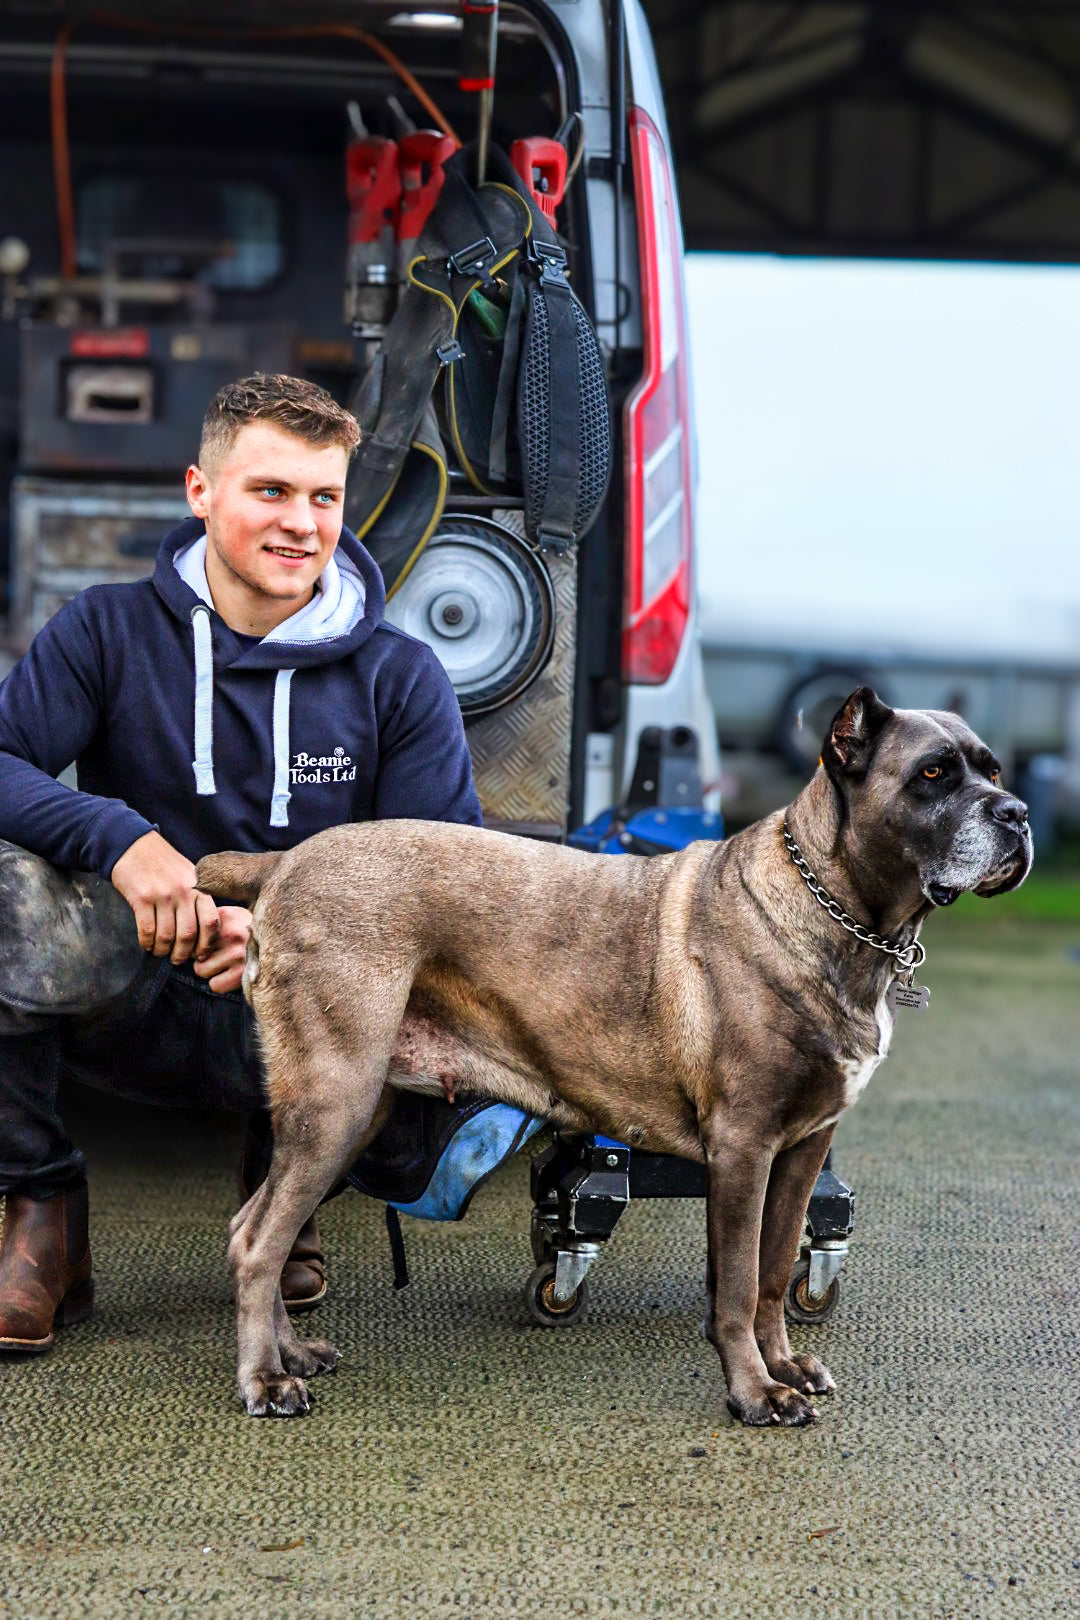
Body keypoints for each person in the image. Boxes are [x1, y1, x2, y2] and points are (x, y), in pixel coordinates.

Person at [0, 373, 481, 1354]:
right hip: (140, 976)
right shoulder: (104, 631)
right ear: (199, 491)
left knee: (467, 982)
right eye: (270, 490)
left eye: (323, 497)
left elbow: (441, 884)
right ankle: (43, 1214)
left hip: (312, 1009)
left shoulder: (399, 676)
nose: (303, 523)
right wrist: (123, 842)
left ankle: (289, 1191)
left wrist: (280, 942)